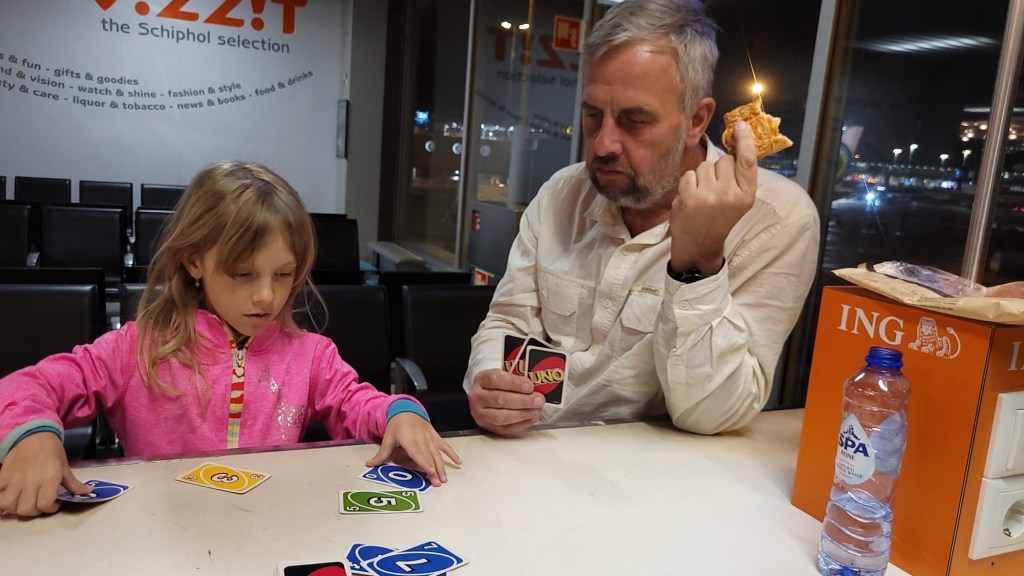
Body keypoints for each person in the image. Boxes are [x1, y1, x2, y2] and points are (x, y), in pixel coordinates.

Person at [0, 161, 460, 517]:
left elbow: (357, 402)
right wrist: (32, 435)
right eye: (243, 274)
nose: (266, 296)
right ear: (194, 261)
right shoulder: (136, 349)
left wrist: (399, 413)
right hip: (162, 533)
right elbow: (27, 386)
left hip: (269, 526)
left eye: (284, 274)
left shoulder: (311, 355)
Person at [464, 0, 820, 436]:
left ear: (696, 120)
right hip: (533, 444)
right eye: (592, 115)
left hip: (660, 469)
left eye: (634, 121)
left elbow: (710, 415)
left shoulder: (777, 218)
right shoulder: (561, 193)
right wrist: (490, 381)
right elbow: (507, 322)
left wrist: (698, 264)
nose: (602, 145)